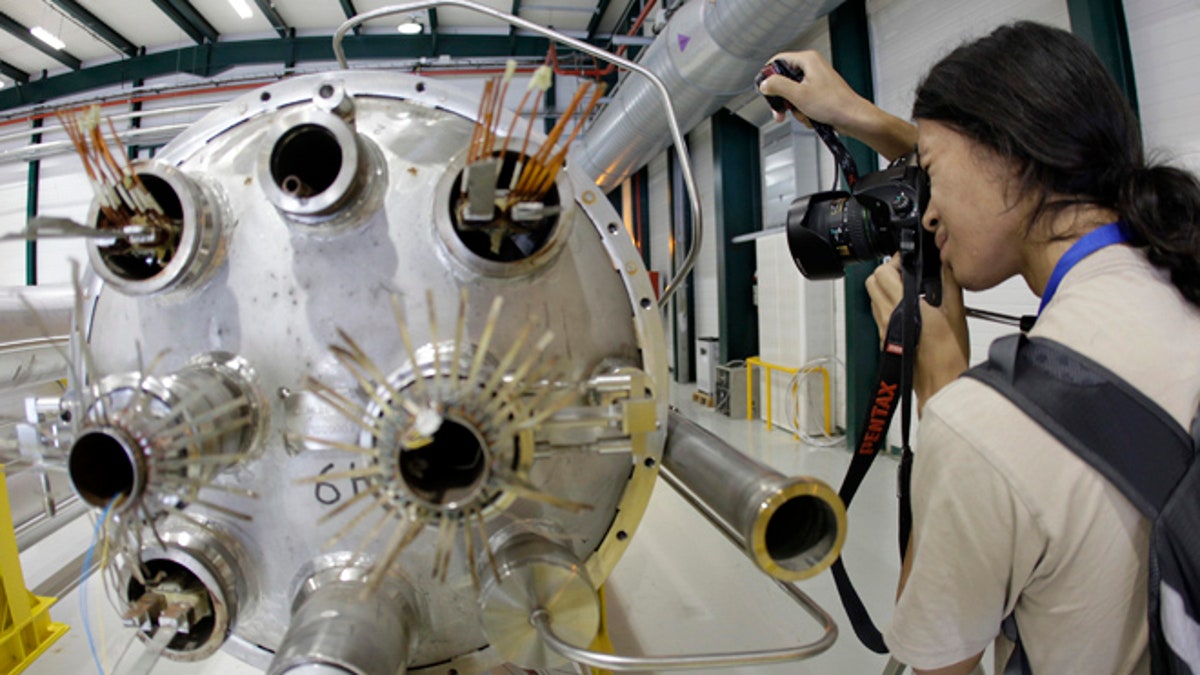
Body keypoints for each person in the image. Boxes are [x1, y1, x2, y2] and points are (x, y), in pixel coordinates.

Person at [759, 21, 1200, 675]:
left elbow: (936, 661)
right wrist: (857, 116)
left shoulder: (986, 427)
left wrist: (941, 390)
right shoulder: (1176, 273)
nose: (927, 213)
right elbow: (995, 178)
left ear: (1016, 155)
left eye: (930, 174)